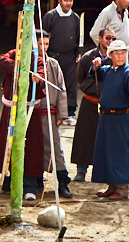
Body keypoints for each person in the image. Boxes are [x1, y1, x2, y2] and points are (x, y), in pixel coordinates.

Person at [0, 38, 47, 200]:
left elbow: (42, 76)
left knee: (31, 147)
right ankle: (6, 182)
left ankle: (29, 186)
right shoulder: (14, 54)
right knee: (8, 145)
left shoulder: (39, 60)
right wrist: (20, 68)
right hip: (11, 108)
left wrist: (37, 78)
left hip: (30, 111)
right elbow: (0, 61)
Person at [90, 39, 129, 200]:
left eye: (123, 53)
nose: (121, 56)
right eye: (117, 53)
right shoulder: (107, 70)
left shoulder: (128, 72)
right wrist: (96, 65)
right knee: (106, 151)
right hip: (106, 118)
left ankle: (122, 189)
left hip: (121, 118)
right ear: (111, 55)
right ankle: (112, 185)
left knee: (121, 152)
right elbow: (93, 72)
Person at [71, 28, 115, 181]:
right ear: (100, 38)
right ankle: (81, 170)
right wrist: (94, 70)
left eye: (113, 38)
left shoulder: (116, 57)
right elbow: (80, 78)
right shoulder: (89, 56)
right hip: (90, 103)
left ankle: (102, 171)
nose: (110, 41)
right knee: (85, 137)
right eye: (108, 37)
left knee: (107, 139)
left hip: (109, 106)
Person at [38, 31, 73, 197]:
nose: (43, 47)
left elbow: (61, 89)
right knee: (33, 148)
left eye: (45, 44)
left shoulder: (53, 64)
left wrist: (61, 113)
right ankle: (34, 179)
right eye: (39, 44)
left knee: (55, 148)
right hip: (33, 113)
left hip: (49, 113)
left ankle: (63, 181)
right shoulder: (26, 63)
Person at [41, 0, 79, 121]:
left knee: (70, 85)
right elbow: (43, 36)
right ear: (59, 1)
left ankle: (69, 113)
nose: (68, 3)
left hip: (69, 57)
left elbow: (79, 37)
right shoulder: (50, 16)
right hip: (53, 57)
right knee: (52, 85)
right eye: (66, 0)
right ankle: (52, 111)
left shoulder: (75, 18)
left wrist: (78, 54)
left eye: (71, 0)